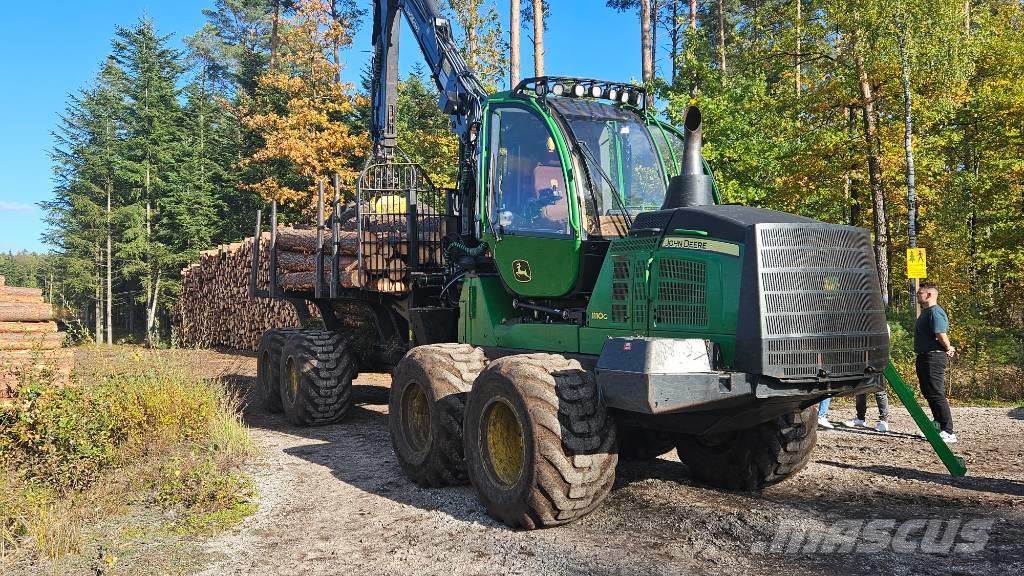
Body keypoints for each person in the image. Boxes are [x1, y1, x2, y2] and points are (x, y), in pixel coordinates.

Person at [914, 282, 957, 443]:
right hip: (924, 356)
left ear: (929, 295)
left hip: (933, 357)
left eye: (920, 293)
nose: (918, 295)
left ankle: (948, 430)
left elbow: (940, 333)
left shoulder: (935, 312)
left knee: (937, 393)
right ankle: (937, 425)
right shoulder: (926, 312)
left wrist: (948, 347)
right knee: (929, 392)